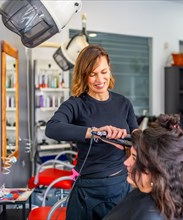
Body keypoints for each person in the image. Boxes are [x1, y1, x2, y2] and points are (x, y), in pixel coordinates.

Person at [45, 44, 139, 220]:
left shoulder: (123, 103)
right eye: (92, 74)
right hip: (87, 190)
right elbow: (52, 128)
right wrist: (95, 133)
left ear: (109, 70)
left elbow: (137, 138)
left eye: (104, 71)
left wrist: (121, 140)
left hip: (120, 185)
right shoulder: (75, 104)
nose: (100, 79)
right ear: (84, 75)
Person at [103, 114, 183, 220]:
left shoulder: (149, 214)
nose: (126, 162)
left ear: (156, 167)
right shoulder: (143, 195)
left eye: (134, 157)